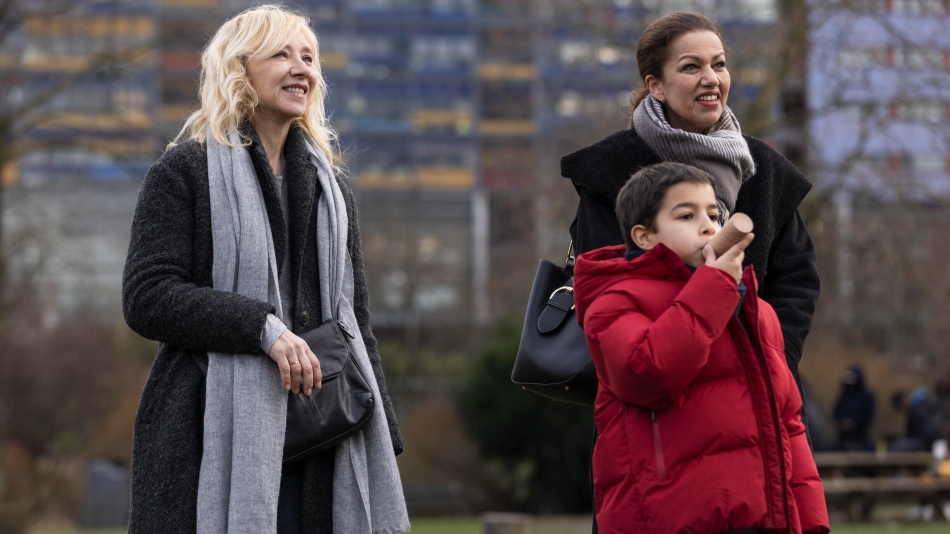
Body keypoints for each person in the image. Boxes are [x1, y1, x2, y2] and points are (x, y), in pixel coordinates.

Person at [122, 5, 409, 533]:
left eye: (309, 57)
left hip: (323, 435)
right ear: (239, 69)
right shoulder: (184, 171)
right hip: (207, 434)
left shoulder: (332, 190)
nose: (302, 68)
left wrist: (382, 434)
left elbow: (357, 319)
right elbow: (148, 296)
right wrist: (262, 329)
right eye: (282, 54)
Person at [561, 12, 821, 530]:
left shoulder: (762, 170)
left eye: (719, 64)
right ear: (654, 85)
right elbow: (609, 289)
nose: (711, 78)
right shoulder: (611, 172)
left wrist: (772, 361)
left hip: (746, 410)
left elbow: (796, 278)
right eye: (692, 66)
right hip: (656, 417)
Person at [572, 162, 830, 533]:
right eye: (687, 215)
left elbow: (787, 424)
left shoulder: (757, 311)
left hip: (760, 519)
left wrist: (811, 522)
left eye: (714, 213)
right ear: (644, 236)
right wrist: (713, 287)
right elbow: (647, 372)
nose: (709, 226)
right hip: (669, 521)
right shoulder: (614, 302)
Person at [831, 365, 877, 451]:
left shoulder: (867, 395)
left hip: (861, 437)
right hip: (843, 438)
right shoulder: (844, 394)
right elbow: (836, 412)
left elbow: (869, 414)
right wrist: (843, 422)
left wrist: (854, 423)